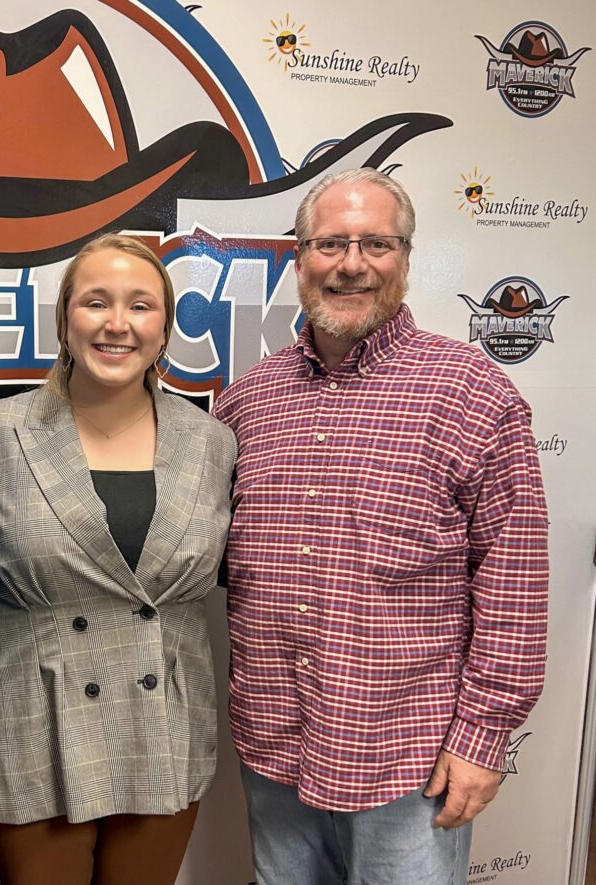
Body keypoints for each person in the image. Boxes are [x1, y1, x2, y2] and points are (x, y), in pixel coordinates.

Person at [212, 168, 548, 884]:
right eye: (331, 243)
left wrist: (484, 737)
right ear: (298, 259)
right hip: (275, 743)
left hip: (406, 760)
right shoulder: (246, 401)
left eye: (376, 243)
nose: (352, 263)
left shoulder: (473, 394)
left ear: (406, 257)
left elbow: (514, 582)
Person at [0, 233, 236, 885]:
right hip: (33, 722)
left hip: (165, 721)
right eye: (96, 301)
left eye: (140, 305)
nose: (118, 323)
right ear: (64, 319)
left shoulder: (213, 442)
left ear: (166, 328)